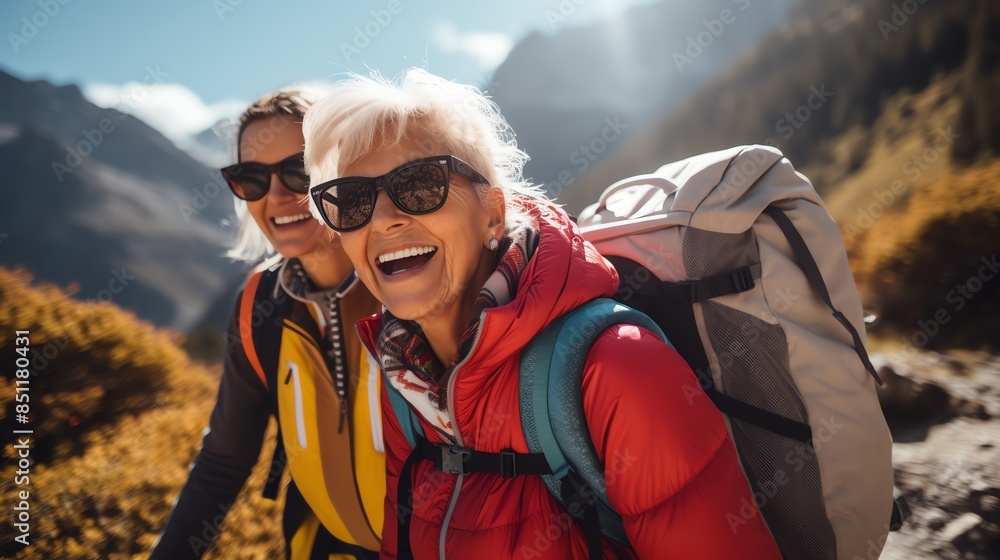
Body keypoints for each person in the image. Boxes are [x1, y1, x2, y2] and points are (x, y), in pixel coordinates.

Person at [302, 69, 783, 559]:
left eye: (420, 186)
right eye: (354, 201)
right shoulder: (403, 381)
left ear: (492, 212)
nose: (383, 219)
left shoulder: (618, 369)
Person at [151, 90, 383, 560]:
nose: (277, 196)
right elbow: (224, 460)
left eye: (299, 169)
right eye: (251, 177)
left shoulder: (405, 277)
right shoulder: (259, 307)